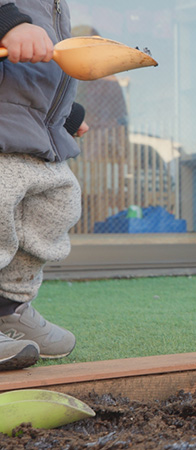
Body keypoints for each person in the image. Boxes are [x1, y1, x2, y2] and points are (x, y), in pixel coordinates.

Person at [0, 0, 89, 371]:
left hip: (34, 135)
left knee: (56, 205)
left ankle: (9, 308)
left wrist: (66, 116)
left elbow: (37, 78)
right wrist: (7, 21)